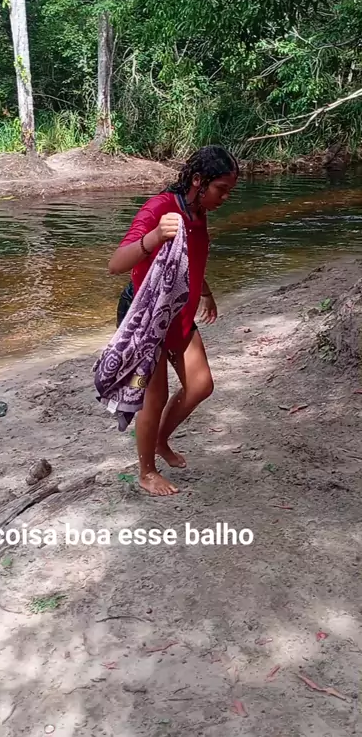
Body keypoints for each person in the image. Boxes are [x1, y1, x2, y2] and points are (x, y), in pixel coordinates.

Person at [108, 145, 239, 497]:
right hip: (145, 315)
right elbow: (115, 264)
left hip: (177, 311)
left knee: (200, 385)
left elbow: (190, 256)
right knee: (155, 395)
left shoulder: (198, 210)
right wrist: (153, 237)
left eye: (229, 190)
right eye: (221, 189)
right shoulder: (160, 208)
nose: (225, 197)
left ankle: (160, 440)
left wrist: (205, 291)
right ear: (198, 180)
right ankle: (146, 471)